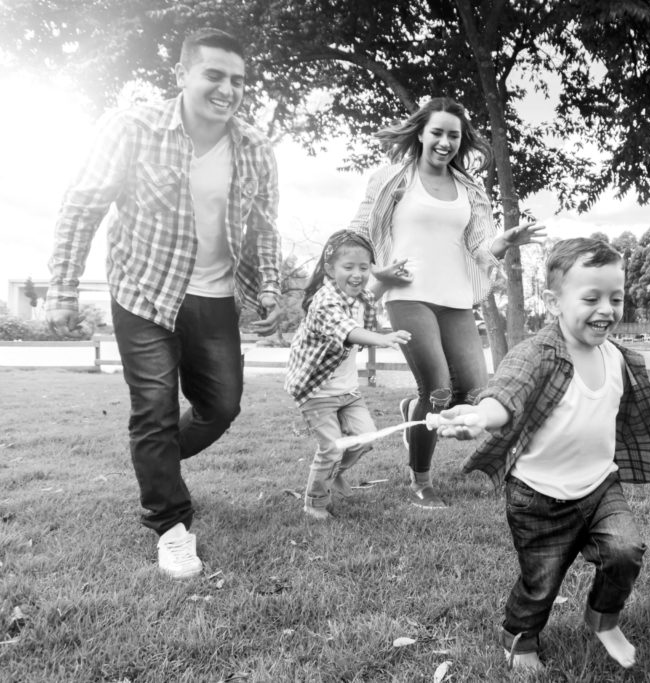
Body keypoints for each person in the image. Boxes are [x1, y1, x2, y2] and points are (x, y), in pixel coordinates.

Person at [45, 28, 283, 579]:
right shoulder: (133, 127)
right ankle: (170, 523)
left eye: (238, 80)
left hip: (216, 297)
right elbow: (81, 206)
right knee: (152, 408)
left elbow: (264, 229)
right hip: (145, 291)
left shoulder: (255, 148)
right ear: (181, 75)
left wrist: (267, 284)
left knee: (221, 408)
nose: (228, 89)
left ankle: (153, 463)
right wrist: (61, 287)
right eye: (214, 75)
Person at [436, 237, 650, 671]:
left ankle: (603, 617)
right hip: (538, 498)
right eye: (591, 298)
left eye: (616, 298)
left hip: (600, 485)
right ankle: (520, 639)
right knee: (541, 582)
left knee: (625, 550)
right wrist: (480, 415)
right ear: (553, 302)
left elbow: (633, 404)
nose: (607, 309)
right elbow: (507, 393)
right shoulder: (537, 353)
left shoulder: (618, 358)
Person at [350, 96, 545, 509]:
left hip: (455, 296)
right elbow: (359, 230)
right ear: (420, 132)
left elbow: (478, 247)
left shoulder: (469, 189)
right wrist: (370, 277)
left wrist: (504, 242)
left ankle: (412, 411)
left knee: (475, 391)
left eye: (453, 135)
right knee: (437, 389)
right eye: (437, 132)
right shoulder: (391, 178)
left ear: (462, 140)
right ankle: (421, 481)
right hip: (408, 294)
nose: (444, 142)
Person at [285, 230, 412, 520]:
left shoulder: (358, 296)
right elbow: (348, 331)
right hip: (316, 392)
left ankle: (332, 474)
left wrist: (385, 278)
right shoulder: (326, 300)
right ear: (330, 270)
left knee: (366, 439)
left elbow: (371, 294)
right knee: (331, 448)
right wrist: (381, 339)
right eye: (348, 267)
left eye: (364, 268)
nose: (357, 274)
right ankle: (314, 503)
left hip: (347, 391)